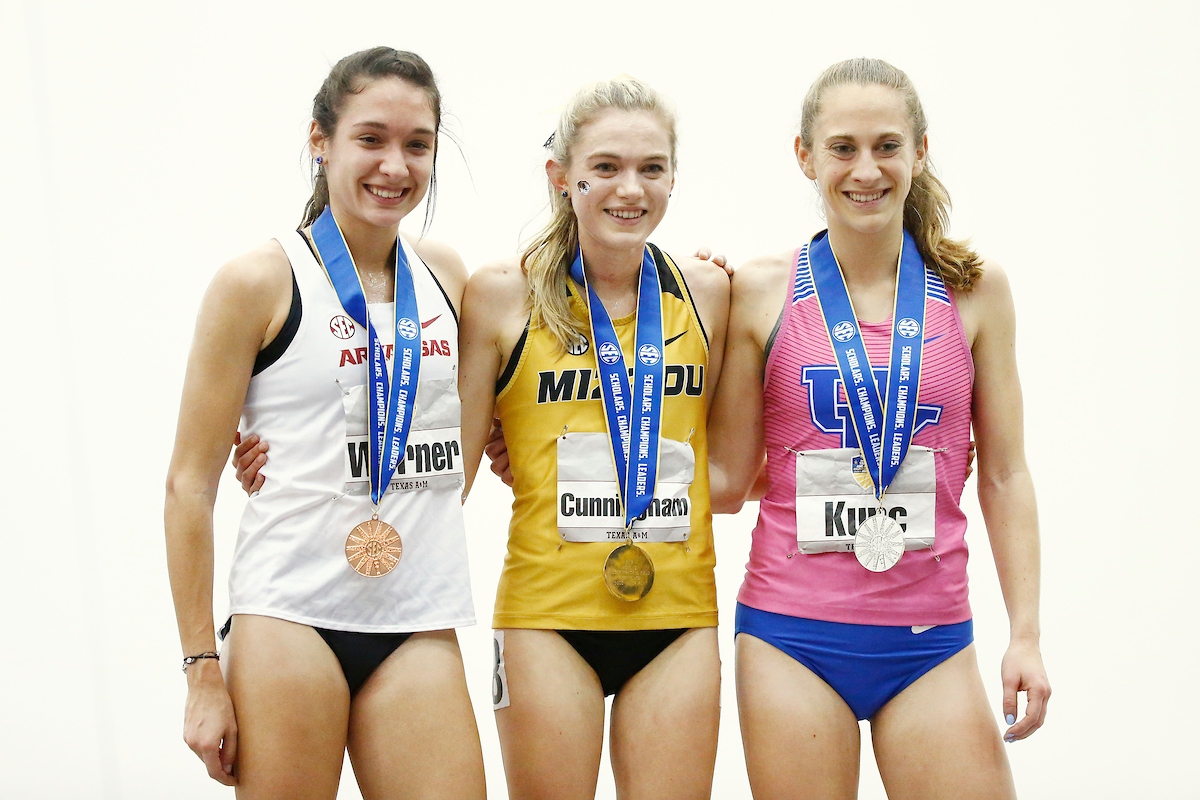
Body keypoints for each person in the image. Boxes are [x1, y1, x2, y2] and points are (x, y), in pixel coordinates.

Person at [707, 57, 1050, 798]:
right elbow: (729, 481)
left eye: (887, 146)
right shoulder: (761, 291)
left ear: (921, 151)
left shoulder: (975, 290)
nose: (867, 169)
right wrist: (564, 458)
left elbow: (1003, 472)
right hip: (790, 636)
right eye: (842, 147)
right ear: (804, 156)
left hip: (931, 643)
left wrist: (1025, 633)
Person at [164, 47, 485, 798]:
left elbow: (518, 392)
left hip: (417, 613)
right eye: (370, 139)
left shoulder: (448, 275)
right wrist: (200, 671)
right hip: (289, 616)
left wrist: (702, 274)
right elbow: (188, 485)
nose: (395, 167)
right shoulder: (258, 282)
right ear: (321, 141)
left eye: (417, 144)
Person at [456, 77, 730, 800]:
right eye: (605, 167)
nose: (629, 189)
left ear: (674, 175)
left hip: (678, 618)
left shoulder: (709, 291)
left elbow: (731, 470)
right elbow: (443, 474)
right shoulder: (499, 295)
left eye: (651, 168)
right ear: (561, 176)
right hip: (547, 617)